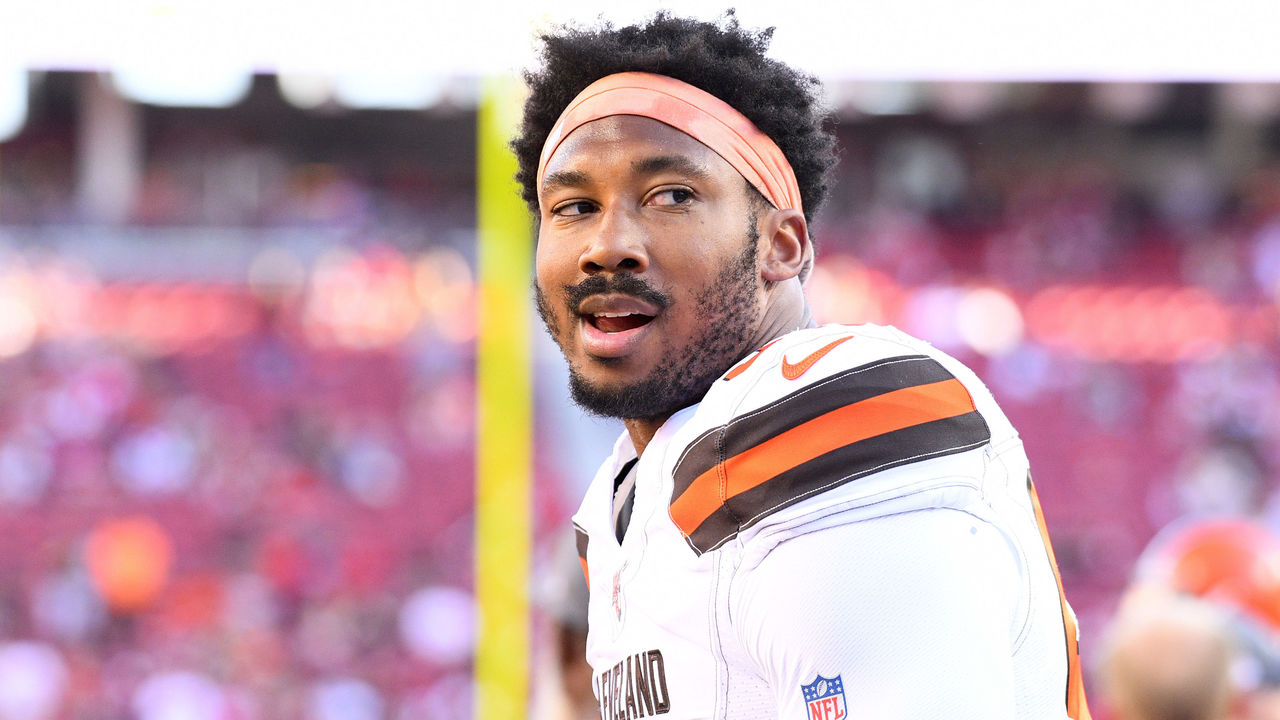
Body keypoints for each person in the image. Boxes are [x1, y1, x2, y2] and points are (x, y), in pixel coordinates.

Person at [513, 12, 1091, 719]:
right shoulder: (624, 496)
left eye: (672, 196)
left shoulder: (818, 413)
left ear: (782, 247)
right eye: (572, 206)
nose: (607, 245)